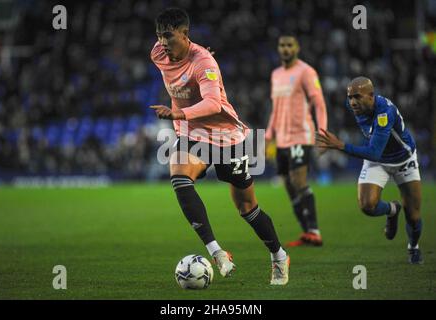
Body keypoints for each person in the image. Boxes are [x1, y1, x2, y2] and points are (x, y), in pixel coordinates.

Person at [149, 7, 290, 285]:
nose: (163, 43)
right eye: (158, 36)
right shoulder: (158, 54)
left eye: (168, 36)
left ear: (185, 34)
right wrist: (182, 119)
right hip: (193, 132)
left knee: (247, 208)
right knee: (179, 176)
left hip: (226, 137)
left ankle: (279, 256)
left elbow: (213, 104)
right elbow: (174, 59)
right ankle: (217, 252)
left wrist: (176, 112)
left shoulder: (204, 63)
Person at [316, 77, 423, 264]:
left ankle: (413, 247)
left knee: (413, 216)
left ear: (371, 96)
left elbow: (373, 152)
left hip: (403, 159)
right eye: (349, 97)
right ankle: (392, 209)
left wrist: (340, 145)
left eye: (357, 97)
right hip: (379, 159)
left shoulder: (385, 112)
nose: (352, 102)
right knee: (367, 205)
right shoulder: (354, 106)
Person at [266, 35, 327, 247]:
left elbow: (319, 103)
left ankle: (315, 230)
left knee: (299, 181)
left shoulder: (306, 72)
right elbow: (276, 108)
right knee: (288, 184)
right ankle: (306, 231)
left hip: (301, 135)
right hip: (281, 139)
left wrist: (322, 131)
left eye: (289, 45)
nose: (285, 49)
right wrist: (268, 134)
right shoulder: (276, 74)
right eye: (282, 45)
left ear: (297, 48)